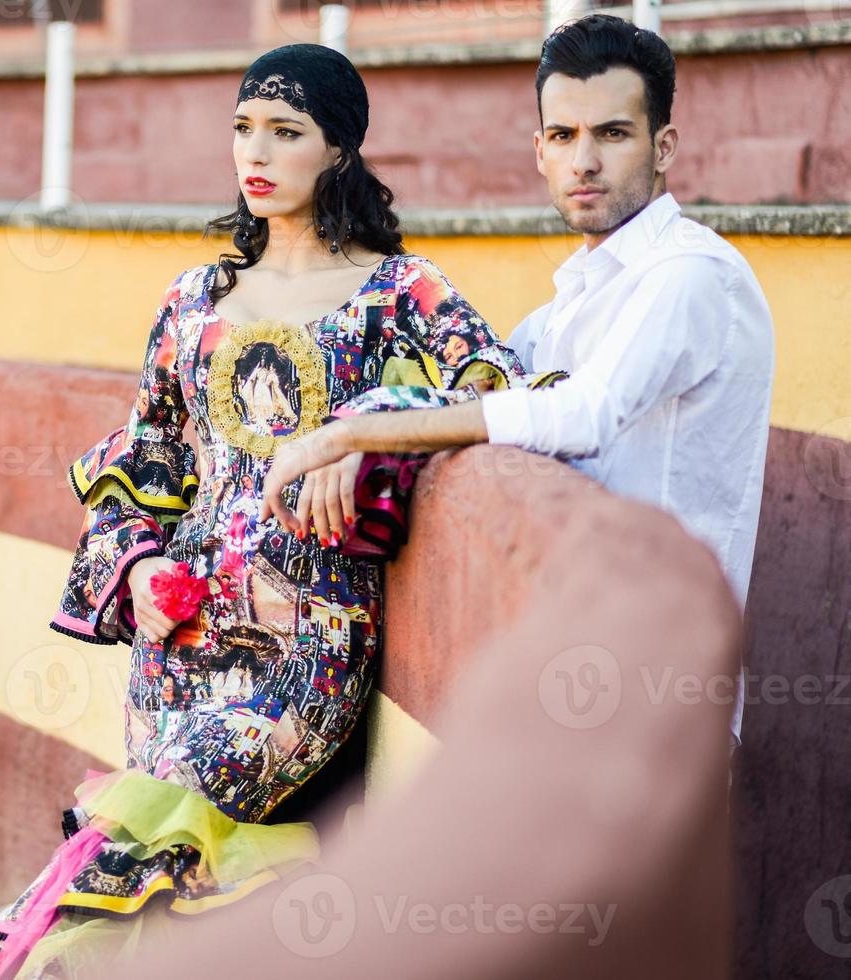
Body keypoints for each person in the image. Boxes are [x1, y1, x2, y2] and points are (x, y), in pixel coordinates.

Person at [0, 43, 552, 980]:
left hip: (309, 641)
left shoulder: (399, 294)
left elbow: (503, 390)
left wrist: (367, 426)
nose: (258, 152)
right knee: (175, 876)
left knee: (145, 830)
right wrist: (140, 569)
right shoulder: (193, 299)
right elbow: (145, 457)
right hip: (181, 638)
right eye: (244, 128)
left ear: (339, 152)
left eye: (287, 131)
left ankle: (13, 960)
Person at [260, 15, 774, 756]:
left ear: (663, 147)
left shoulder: (691, 276)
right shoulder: (566, 305)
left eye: (613, 134)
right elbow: (471, 399)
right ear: (539, 151)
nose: (584, 161)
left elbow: (582, 414)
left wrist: (351, 434)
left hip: (659, 691)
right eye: (562, 137)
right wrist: (373, 429)